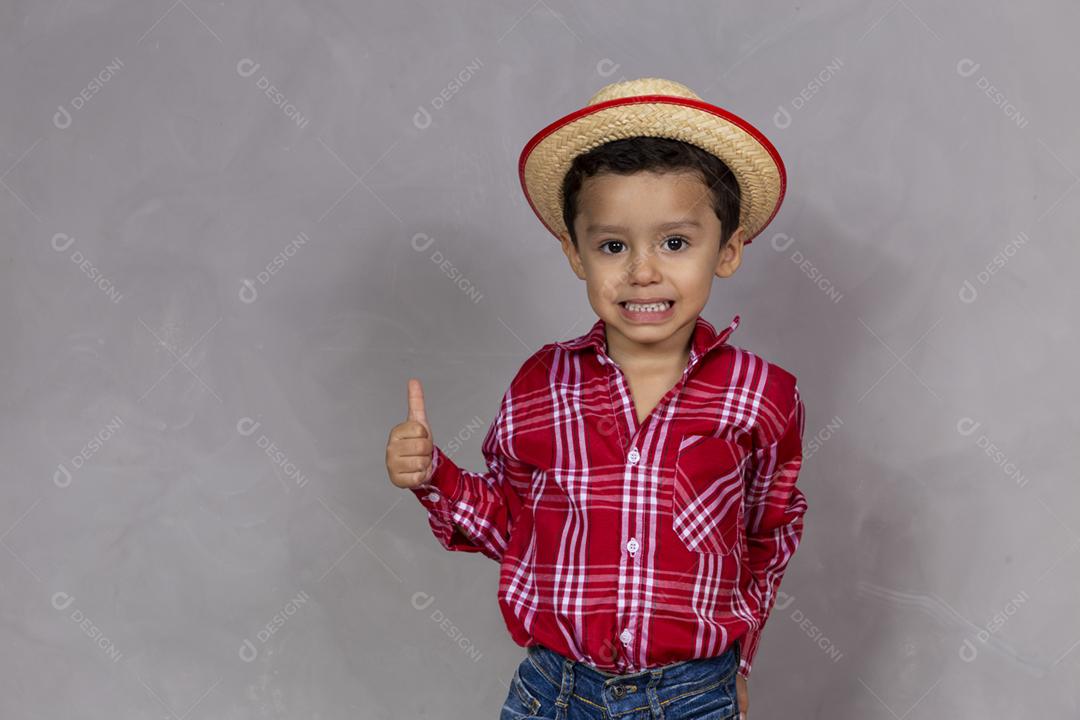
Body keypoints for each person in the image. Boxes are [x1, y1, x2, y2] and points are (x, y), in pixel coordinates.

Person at [386, 77, 808, 720]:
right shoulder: (542, 385)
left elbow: (766, 537)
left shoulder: (761, 397)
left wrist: (738, 661)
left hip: (692, 694)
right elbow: (512, 525)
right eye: (613, 245)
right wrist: (432, 476)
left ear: (727, 249)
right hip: (555, 691)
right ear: (575, 252)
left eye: (675, 242)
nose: (643, 270)